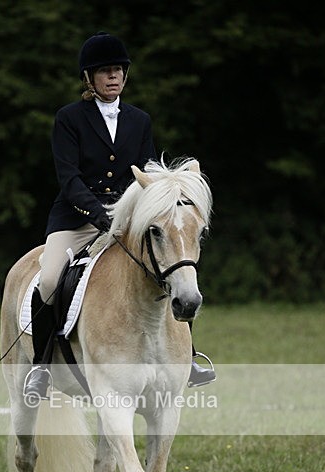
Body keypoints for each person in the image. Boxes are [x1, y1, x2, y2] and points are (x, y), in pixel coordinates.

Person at [24, 32, 215, 398]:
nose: (113, 77)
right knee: (48, 280)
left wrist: (141, 212)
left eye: (118, 71)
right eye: (104, 71)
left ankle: (186, 357)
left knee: (174, 268)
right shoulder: (69, 118)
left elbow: (144, 174)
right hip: (78, 219)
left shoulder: (139, 120)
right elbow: (69, 178)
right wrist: (99, 215)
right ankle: (42, 365)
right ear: (89, 78)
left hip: (129, 219)